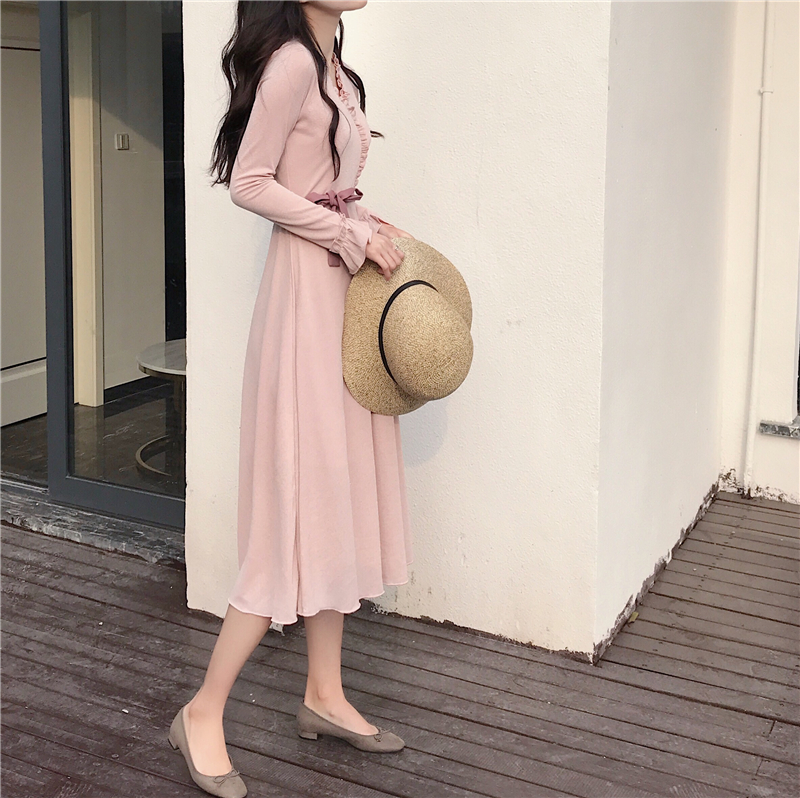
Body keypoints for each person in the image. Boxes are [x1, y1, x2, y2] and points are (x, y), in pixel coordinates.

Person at [166, 2, 414, 796]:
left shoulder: (336, 67)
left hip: (337, 295)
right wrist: (344, 235)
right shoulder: (293, 64)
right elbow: (249, 182)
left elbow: (329, 189)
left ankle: (324, 694)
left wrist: (367, 225)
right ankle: (202, 711)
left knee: (333, 496)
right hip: (305, 297)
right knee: (293, 505)